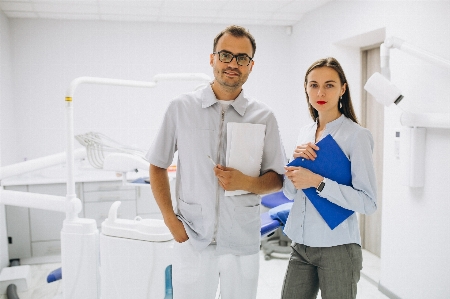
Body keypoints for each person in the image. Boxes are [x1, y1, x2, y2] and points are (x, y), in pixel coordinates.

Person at [147, 25, 286, 299]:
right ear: (212, 59)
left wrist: (246, 182)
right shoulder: (181, 108)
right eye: (225, 55)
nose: (233, 64)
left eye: (242, 58)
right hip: (193, 236)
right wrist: (170, 220)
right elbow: (157, 163)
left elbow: (277, 178)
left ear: (250, 66)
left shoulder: (263, 116)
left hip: (242, 239)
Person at [281, 57, 377, 299]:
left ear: (343, 89)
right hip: (300, 245)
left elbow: (368, 203)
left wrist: (318, 182)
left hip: (338, 247)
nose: (320, 92)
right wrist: (293, 169)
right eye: (313, 85)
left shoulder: (357, 136)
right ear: (306, 88)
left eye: (329, 85)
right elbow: (290, 193)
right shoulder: (305, 132)